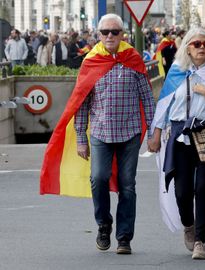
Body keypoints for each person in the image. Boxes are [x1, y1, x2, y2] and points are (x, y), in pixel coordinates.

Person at [40, 13, 155, 255]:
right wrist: (81, 138)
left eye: (115, 32)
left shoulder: (133, 59)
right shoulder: (91, 61)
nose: (110, 36)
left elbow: (147, 97)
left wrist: (154, 132)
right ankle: (104, 224)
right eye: (105, 32)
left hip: (130, 132)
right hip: (101, 133)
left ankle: (124, 237)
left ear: (123, 34)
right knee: (98, 178)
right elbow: (81, 102)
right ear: (98, 35)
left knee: (128, 186)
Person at [148, 27, 205, 260]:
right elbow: (164, 104)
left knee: (203, 188)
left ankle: (200, 241)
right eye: (197, 44)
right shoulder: (176, 72)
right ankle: (189, 224)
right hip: (179, 135)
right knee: (182, 191)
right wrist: (155, 133)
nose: (202, 48)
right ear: (187, 46)